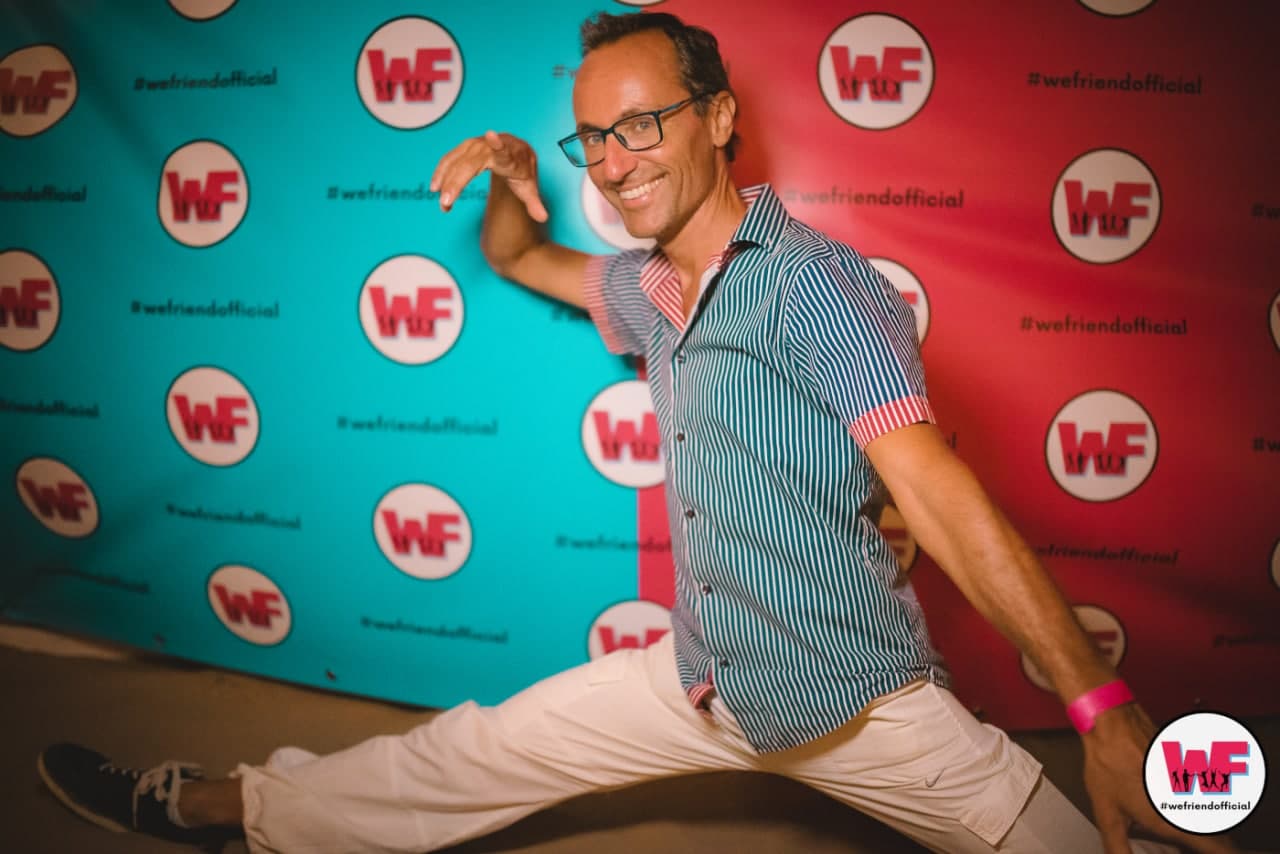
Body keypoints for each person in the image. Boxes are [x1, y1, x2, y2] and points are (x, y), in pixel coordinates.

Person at [38, 12, 1235, 854]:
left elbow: (927, 484)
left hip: (856, 699)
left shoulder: (817, 286)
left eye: (643, 123)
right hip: (700, 677)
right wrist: (514, 180)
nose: (614, 163)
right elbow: (522, 257)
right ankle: (225, 805)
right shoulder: (650, 288)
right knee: (468, 751)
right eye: (593, 139)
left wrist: (1098, 706)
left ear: (717, 118)